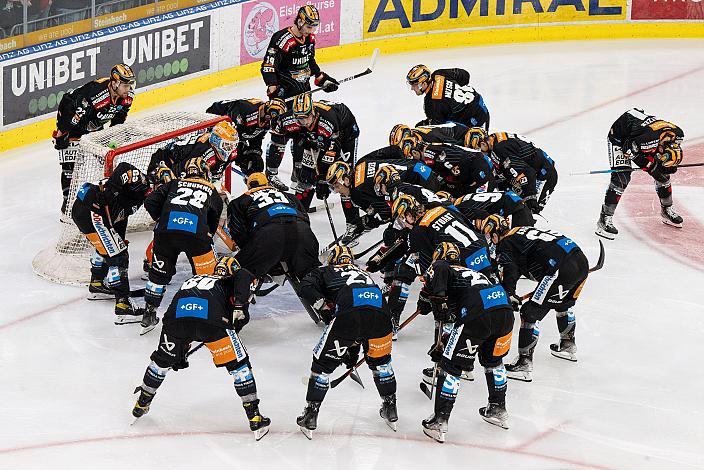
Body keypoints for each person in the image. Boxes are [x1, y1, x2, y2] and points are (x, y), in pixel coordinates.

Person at [131, 256, 271, 441]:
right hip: (211, 322)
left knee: (161, 361)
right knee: (240, 366)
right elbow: (244, 277)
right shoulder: (232, 278)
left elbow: (180, 306)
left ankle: (142, 403)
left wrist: (179, 351)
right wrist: (239, 308)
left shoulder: (194, 279)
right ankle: (254, 416)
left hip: (175, 321)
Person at [296, 246, 397, 438]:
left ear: (333, 260)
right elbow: (364, 314)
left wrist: (323, 306)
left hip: (350, 311)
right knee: (382, 363)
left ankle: (310, 414)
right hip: (381, 310)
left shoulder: (325, 270)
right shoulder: (362, 272)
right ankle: (390, 407)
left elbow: (305, 287)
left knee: (322, 366)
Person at [418, 242, 514, 442]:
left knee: (450, 366)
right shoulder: (472, 272)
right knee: (493, 361)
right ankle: (498, 409)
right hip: (504, 310)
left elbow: (434, 301)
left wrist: (431, 303)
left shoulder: (440, 267)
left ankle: (439, 421)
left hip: (478, 313)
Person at [478, 216, 589, 381]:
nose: (491, 241)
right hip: (581, 261)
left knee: (529, 313)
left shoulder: (506, 244)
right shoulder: (519, 231)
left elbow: (510, 272)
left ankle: (524, 363)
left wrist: (509, 295)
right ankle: (567, 344)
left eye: (490, 236)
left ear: (495, 234)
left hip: (559, 269)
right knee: (563, 303)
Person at [142, 157, 224, 333]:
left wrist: (161, 219)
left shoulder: (174, 183)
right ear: (204, 173)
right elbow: (214, 219)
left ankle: (149, 313)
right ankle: (204, 315)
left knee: (158, 275)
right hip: (196, 235)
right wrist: (205, 233)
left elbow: (149, 202)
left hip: (166, 233)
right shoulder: (211, 189)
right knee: (207, 278)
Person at [227, 172, 322, 322]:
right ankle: (328, 304)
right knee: (312, 272)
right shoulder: (289, 196)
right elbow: (305, 219)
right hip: (302, 233)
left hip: (269, 236)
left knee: (237, 270)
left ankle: (236, 311)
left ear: (248, 186)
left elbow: (238, 233)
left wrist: (259, 257)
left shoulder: (240, 200)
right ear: (267, 183)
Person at [71, 162, 149, 322]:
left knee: (109, 248)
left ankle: (97, 283)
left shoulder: (143, 199)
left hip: (85, 210)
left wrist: (118, 238)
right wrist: (110, 191)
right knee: (119, 256)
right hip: (92, 208)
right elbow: (124, 168)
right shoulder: (144, 182)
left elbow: (120, 219)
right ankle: (123, 305)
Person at [54, 63, 135, 214]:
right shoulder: (96, 94)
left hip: (94, 122)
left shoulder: (127, 97)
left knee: (107, 158)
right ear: (115, 83)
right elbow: (75, 114)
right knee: (70, 163)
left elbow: (119, 118)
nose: (129, 89)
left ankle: (111, 195)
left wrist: (111, 137)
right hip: (72, 114)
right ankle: (68, 200)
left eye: (130, 85)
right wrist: (63, 133)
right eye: (125, 85)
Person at [596, 108, 684, 239]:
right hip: (621, 138)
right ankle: (604, 220)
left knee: (663, 175)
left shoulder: (678, 135)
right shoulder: (647, 141)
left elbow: (666, 157)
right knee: (621, 178)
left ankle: (666, 210)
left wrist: (666, 166)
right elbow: (628, 150)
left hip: (639, 133)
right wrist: (649, 165)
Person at [289, 93, 360, 221]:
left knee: (344, 179)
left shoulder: (327, 122)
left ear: (313, 112)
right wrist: (300, 139)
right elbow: (279, 128)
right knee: (305, 177)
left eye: (306, 118)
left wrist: (322, 180)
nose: (304, 122)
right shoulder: (295, 119)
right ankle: (298, 219)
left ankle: (353, 223)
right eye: (300, 119)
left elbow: (331, 152)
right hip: (321, 136)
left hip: (345, 135)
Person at [465, 128, 558, 214]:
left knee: (529, 210)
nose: (482, 154)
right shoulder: (494, 140)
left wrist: (530, 197)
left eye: (480, 150)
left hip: (543, 174)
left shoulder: (499, 149)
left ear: (484, 143)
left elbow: (527, 173)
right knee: (511, 200)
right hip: (534, 170)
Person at [261, 5, 338, 99]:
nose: (311, 31)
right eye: (309, 27)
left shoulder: (310, 39)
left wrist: (321, 78)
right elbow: (268, 66)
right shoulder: (282, 39)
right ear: (300, 22)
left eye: (314, 27)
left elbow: (309, 60)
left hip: (305, 94)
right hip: (285, 95)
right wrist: (273, 87)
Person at [206, 98, 287, 176]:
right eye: (268, 118)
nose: (268, 123)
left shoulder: (266, 119)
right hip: (213, 120)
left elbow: (257, 136)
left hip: (235, 130)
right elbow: (230, 136)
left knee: (254, 162)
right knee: (227, 153)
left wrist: (255, 153)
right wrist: (239, 154)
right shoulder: (246, 111)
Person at [399, 136, 494, 197]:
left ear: (415, 152)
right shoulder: (433, 145)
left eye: (412, 156)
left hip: (474, 168)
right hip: (475, 164)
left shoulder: (428, 154)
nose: (413, 159)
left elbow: (453, 168)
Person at [147, 121, 239, 183]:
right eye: (226, 145)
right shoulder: (202, 153)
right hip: (163, 162)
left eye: (232, 145)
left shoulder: (227, 152)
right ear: (216, 141)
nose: (230, 149)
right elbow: (179, 174)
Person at [406, 65, 489, 130]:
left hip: (477, 121)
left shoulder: (430, 104)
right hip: (480, 104)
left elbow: (439, 129)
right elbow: (465, 75)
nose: (412, 88)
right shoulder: (439, 74)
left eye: (414, 85)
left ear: (423, 84)